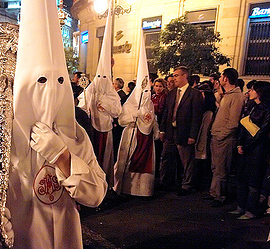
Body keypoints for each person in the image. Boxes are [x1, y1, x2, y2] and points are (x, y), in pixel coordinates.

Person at [8, 0, 107, 249]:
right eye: (40, 82)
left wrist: (62, 155)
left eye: (60, 82)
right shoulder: (2, 133)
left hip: (64, 246)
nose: (51, 93)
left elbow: (96, 194)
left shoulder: (76, 135)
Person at [114, 33, 159, 197]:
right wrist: (134, 115)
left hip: (145, 139)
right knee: (128, 160)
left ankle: (143, 190)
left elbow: (152, 119)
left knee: (144, 164)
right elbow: (121, 120)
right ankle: (125, 187)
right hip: (131, 135)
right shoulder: (131, 101)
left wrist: (155, 130)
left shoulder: (149, 102)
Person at [82, 8, 122, 188]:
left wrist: (103, 104)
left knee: (105, 158)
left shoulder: (112, 93)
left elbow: (117, 111)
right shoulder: (92, 88)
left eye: (104, 78)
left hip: (105, 130)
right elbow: (81, 104)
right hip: (92, 128)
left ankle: (105, 184)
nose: (101, 81)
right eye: (99, 77)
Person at [230, 81, 270, 219]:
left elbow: (263, 131)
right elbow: (243, 126)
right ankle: (240, 206)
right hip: (245, 147)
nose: (249, 92)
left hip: (257, 149)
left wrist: (248, 146)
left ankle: (251, 210)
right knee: (241, 178)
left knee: (253, 180)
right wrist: (239, 144)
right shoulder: (251, 105)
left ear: (260, 91)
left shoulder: (268, 107)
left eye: (253, 90)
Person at [159, 66, 203, 195]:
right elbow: (167, 112)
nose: (174, 78)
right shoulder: (172, 93)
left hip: (184, 131)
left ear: (184, 76)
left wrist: (192, 135)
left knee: (186, 160)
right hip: (170, 131)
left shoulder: (194, 94)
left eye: (176, 75)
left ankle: (187, 185)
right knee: (166, 157)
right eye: (173, 75)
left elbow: (196, 117)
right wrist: (162, 130)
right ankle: (165, 181)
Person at [208, 68, 245, 207]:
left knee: (222, 168)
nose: (220, 79)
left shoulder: (236, 97)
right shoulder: (228, 95)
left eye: (222, 76)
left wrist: (221, 135)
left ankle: (220, 196)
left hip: (224, 138)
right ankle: (214, 192)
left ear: (226, 79)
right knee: (216, 167)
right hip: (217, 135)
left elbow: (233, 122)